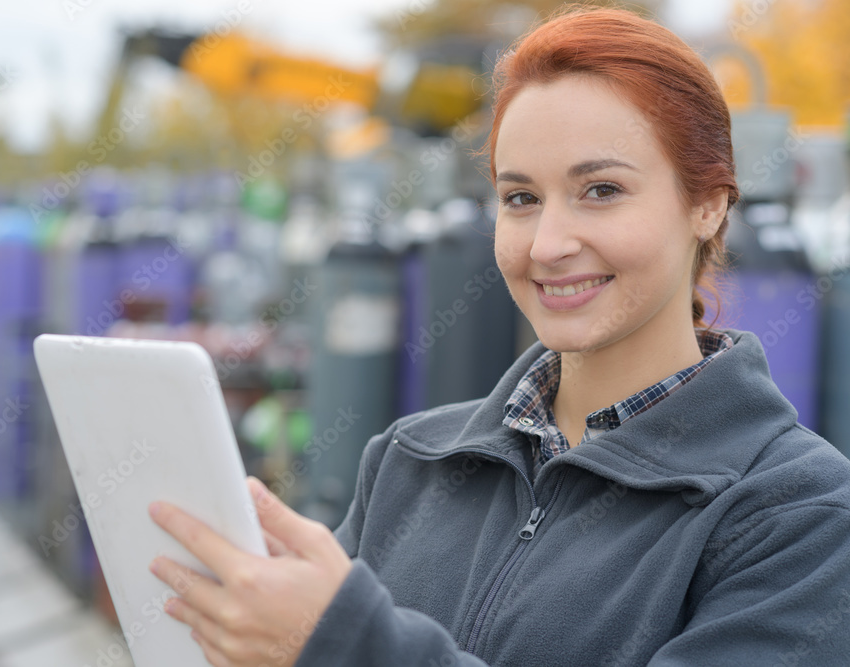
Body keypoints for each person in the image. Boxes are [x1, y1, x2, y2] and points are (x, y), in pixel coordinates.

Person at [146, 6, 850, 666]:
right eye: (520, 198)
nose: (546, 244)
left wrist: (348, 642)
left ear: (707, 203)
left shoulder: (799, 517)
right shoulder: (409, 462)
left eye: (601, 189)